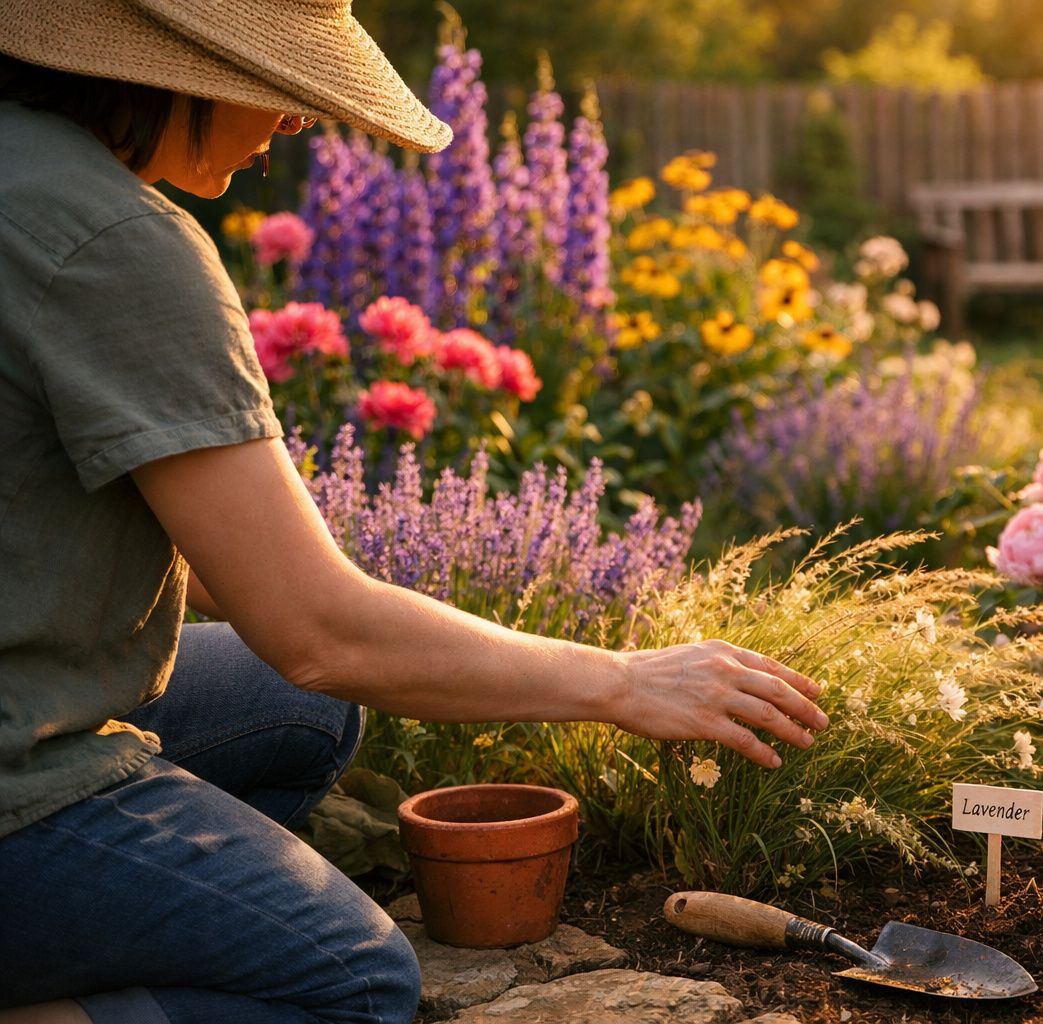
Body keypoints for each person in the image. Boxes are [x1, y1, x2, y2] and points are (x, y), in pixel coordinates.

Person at [0, 1, 827, 1021]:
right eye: (270, 84)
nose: (297, 120)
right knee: (354, 982)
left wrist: (371, 612)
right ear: (171, 66)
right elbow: (318, 633)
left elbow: (241, 591)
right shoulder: (117, 241)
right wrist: (621, 680)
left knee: (295, 711)